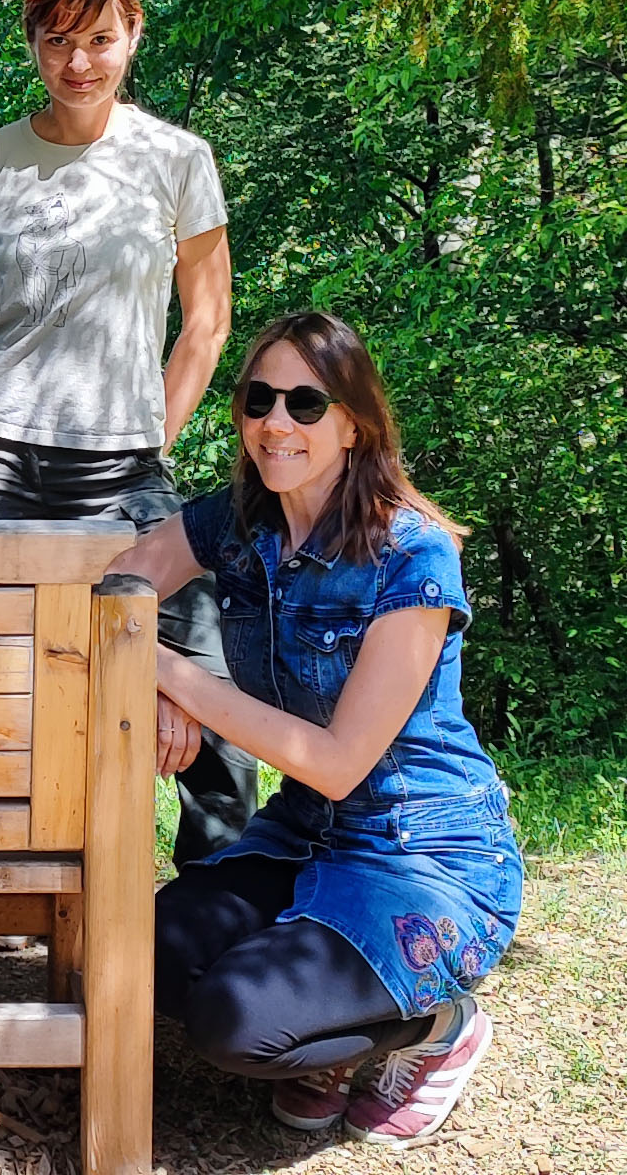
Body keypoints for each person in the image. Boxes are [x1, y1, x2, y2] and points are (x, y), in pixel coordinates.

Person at [126, 312, 522, 1145]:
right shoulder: (239, 522)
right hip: (303, 833)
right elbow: (118, 587)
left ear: (353, 424)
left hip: (423, 852)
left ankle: (438, 1029)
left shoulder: (413, 554)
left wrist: (173, 675)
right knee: (145, 954)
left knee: (234, 1020)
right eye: (259, 399)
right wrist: (156, 684)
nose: (276, 422)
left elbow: (339, 762)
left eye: (305, 403)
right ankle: (332, 1026)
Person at [0, 0, 255, 947]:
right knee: (5, 680)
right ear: (33, 41)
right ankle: (11, 889)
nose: (78, 62)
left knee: (205, 674)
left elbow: (207, 322)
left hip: (124, 467)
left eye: (100, 39)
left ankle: (223, 902)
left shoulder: (177, 160)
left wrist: (151, 432)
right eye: (57, 40)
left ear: (134, 37)